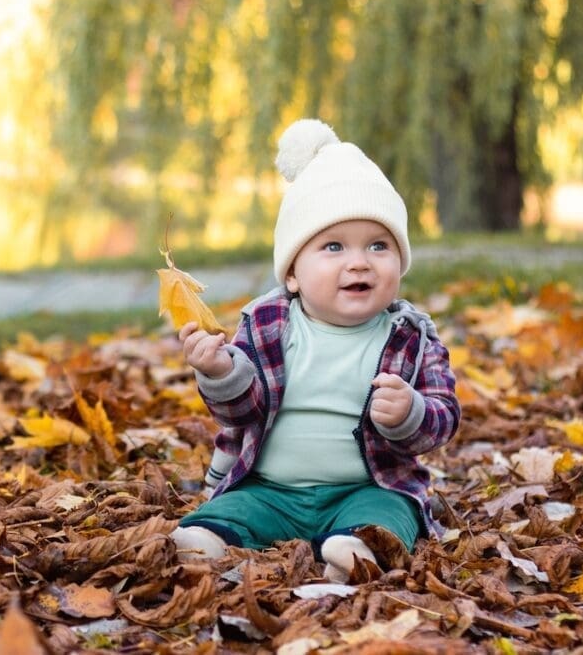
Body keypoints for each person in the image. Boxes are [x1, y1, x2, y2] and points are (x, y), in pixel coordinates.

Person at [170, 119, 460, 582]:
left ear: (399, 262)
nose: (359, 261)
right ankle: (214, 536)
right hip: (271, 488)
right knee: (231, 511)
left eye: (378, 245)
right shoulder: (267, 324)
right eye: (333, 246)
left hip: (367, 487)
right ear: (292, 274)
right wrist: (220, 371)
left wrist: (411, 412)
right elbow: (242, 410)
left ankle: (358, 546)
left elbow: (443, 417)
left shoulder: (411, 335)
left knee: (392, 511)